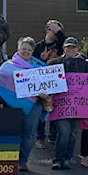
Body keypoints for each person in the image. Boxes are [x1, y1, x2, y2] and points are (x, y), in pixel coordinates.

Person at [0, 36, 49, 172]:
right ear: (18, 49)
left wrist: (45, 94)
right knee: (9, 133)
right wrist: (0, 102)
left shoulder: (39, 67)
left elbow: (48, 86)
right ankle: (6, 162)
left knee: (28, 134)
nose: (26, 52)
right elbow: (0, 86)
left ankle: (22, 161)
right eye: (23, 49)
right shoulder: (7, 66)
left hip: (34, 106)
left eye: (29, 50)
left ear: (33, 51)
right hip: (10, 105)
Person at [47, 37, 88, 170]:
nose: (70, 49)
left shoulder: (83, 65)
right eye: (68, 47)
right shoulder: (53, 63)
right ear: (63, 48)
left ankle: (67, 158)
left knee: (72, 135)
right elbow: (47, 81)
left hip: (76, 106)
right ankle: (58, 160)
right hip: (59, 105)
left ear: (77, 49)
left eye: (73, 47)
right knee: (64, 133)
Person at [33, 19, 66, 148]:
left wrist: (58, 31)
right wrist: (40, 58)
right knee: (41, 110)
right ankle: (40, 138)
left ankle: (53, 136)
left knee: (54, 109)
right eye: (52, 29)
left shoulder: (60, 45)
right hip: (41, 83)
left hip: (56, 82)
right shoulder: (38, 46)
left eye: (57, 31)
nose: (54, 32)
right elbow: (30, 61)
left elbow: (67, 42)